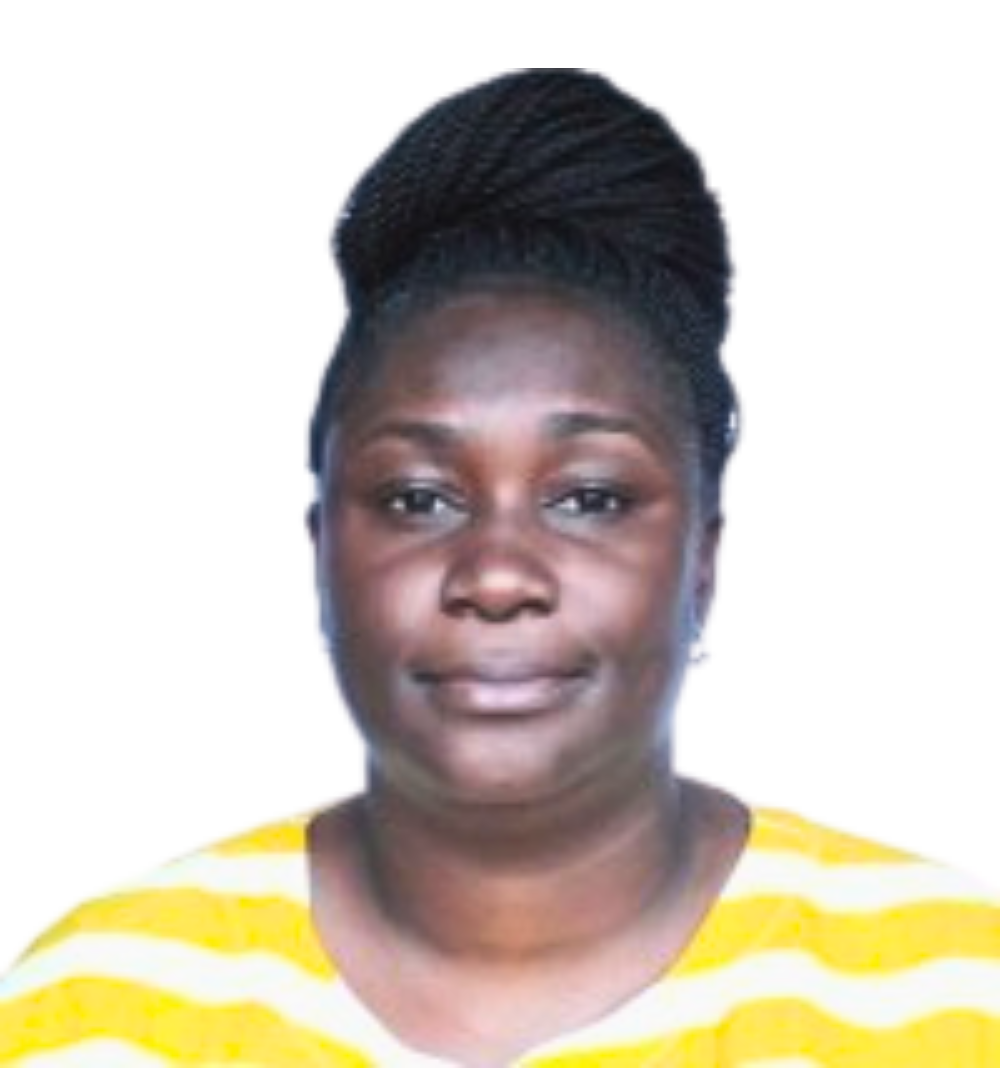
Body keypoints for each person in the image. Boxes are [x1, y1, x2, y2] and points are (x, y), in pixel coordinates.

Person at [3, 68, 997, 1068]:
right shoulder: (87, 1007)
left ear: (708, 559)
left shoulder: (958, 988)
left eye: (590, 497)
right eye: (417, 498)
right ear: (318, 554)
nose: (496, 577)